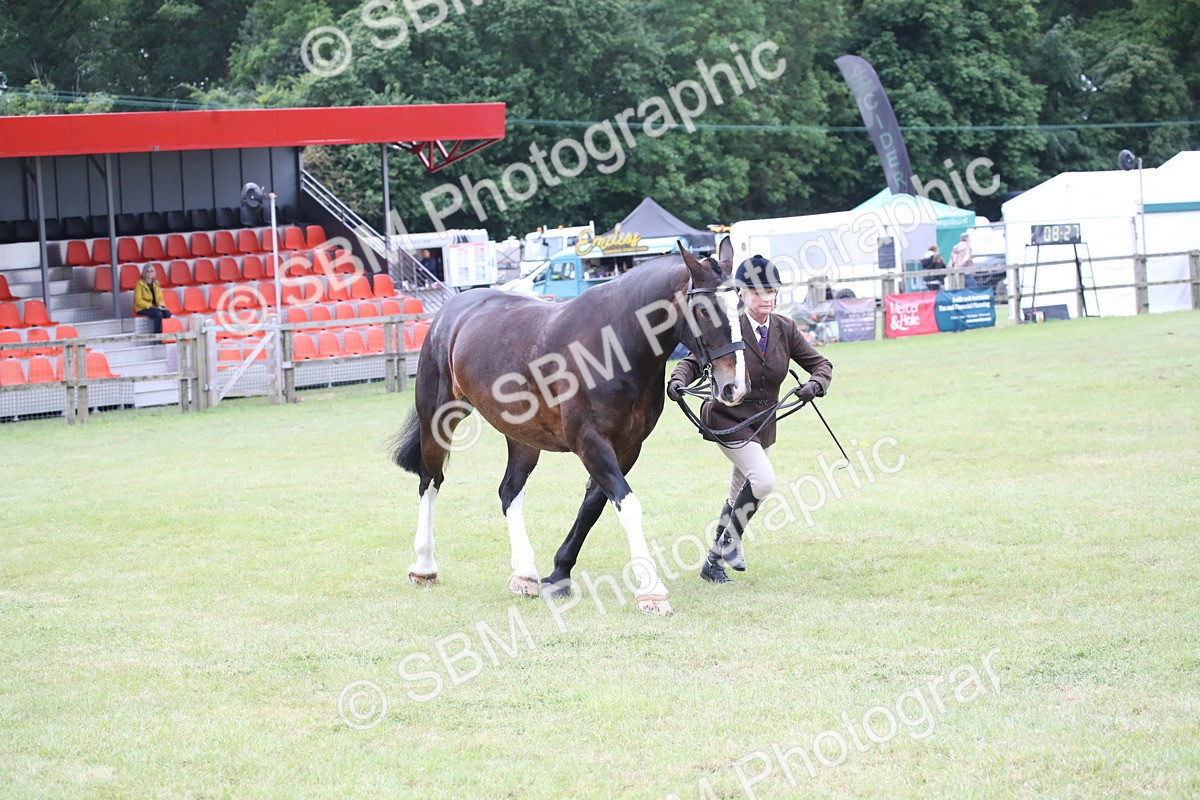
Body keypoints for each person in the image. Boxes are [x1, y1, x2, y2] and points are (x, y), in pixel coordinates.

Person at [667, 255, 834, 584]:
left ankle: (712, 564)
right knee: (763, 481)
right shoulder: (730, 324)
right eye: (759, 293)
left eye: (772, 292)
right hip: (727, 418)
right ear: (741, 293)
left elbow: (822, 364)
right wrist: (678, 379)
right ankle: (730, 543)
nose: (767, 299)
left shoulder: (785, 328)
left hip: (763, 423)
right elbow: (694, 359)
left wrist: (815, 385)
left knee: (739, 492)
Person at [133, 264, 172, 333]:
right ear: (144, 273)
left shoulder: (156, 283)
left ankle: (165, 332)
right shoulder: (139, 284)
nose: (150, 273)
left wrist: (160, 305)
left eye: (151, 271)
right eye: (148, 271)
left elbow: (160, 297)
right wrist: (150, 306)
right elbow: (138, 300)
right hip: (143, 308)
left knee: (167, 313)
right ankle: (157, 333)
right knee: (158, 314)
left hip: (155, 307)